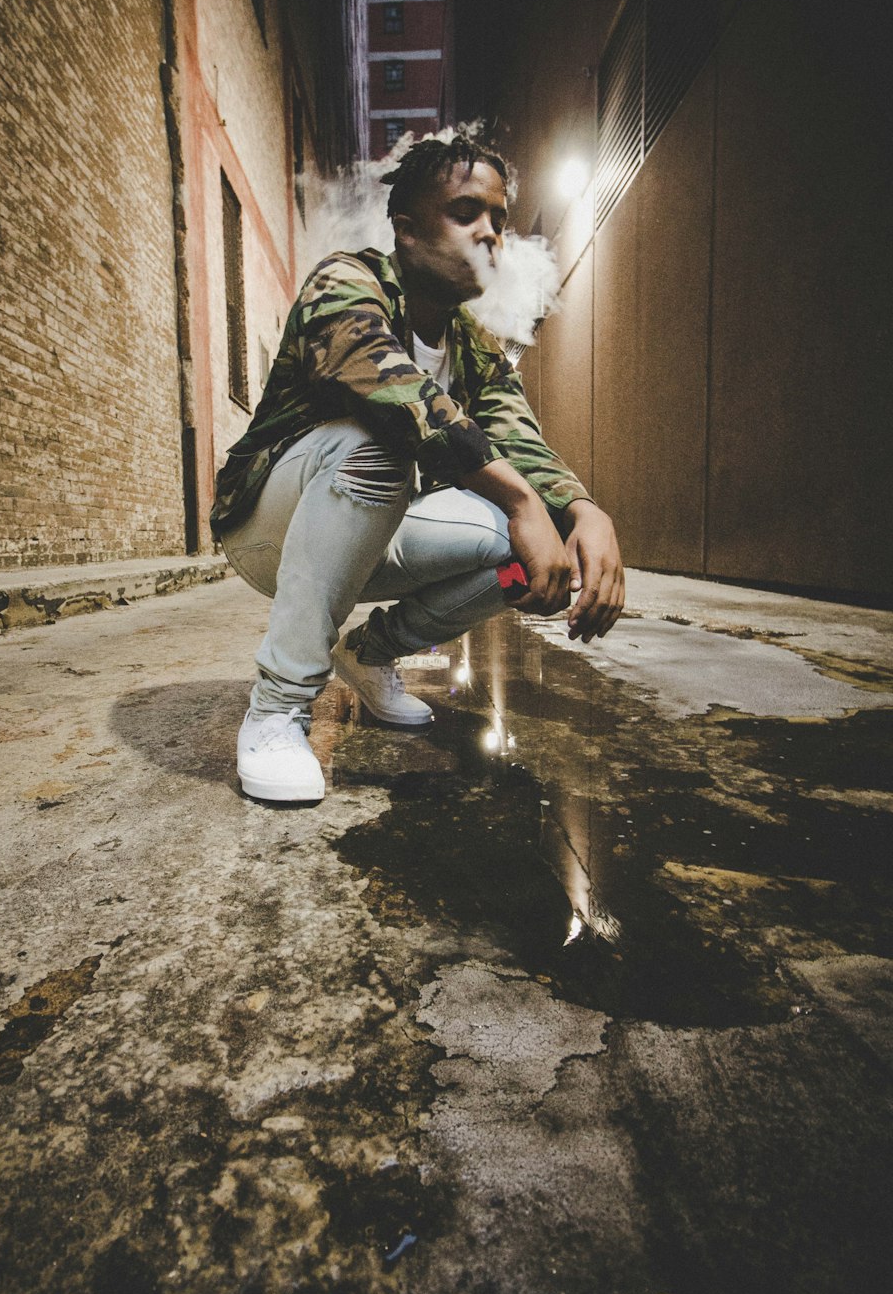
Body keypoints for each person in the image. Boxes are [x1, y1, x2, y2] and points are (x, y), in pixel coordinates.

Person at [211, 136, 624, 801]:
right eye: (466, 213)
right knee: (381, 441)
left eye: (498, 219)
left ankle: (370, 655)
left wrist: (581, 511)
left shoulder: (475, 347)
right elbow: (391, 390)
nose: (489, 234)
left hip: (377, 529)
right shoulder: (347, 281)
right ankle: (278, 707)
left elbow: (520, 444)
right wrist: (523, 502)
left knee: (518, 545)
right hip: (269, 531)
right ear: (406, 231)